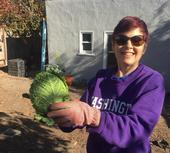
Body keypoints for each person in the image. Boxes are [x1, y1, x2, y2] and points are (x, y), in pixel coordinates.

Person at [47, 16, 165, 153]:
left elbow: (137, 130)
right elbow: (80, 115)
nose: (128, 45)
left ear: (144, 47)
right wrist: (65, 116)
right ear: (113, 45)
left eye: (136, 40)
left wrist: (93, 117)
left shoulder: (151, 81)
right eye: (121, 40)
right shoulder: (100, 78)